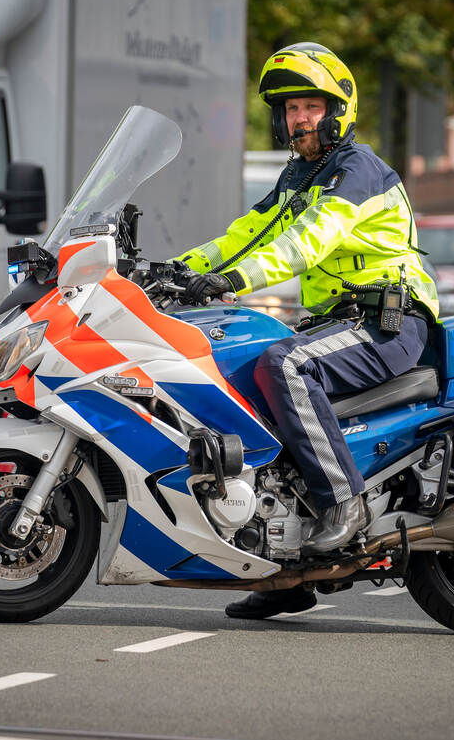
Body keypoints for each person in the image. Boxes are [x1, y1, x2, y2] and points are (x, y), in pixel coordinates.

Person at [177, 43, 439, 619]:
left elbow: (305, 243)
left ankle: (343, 504)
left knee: (284, 366)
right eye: (291, 108)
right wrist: (173, 271)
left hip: (388, 324)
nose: (299, 118)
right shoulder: (300, 175)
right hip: (340, 322)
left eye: (311, 106)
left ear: (337, 110)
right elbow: (244, 234)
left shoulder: (358, 171)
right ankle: (284, 573)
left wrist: (231, 281)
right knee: (240, 376)